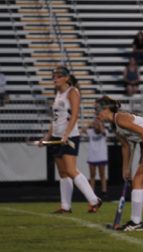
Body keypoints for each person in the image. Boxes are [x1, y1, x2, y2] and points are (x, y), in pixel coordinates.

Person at [95, 96, 143, 231]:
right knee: (140, 182)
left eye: (97, 109)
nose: (96, 113)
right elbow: (126, 147)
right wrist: (126, 169)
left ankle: (135, 222)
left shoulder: (120, 118)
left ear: (106, 109)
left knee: (138, 181)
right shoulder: (115, 125)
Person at [40, 66, 102, 214]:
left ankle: (94, 200)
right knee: (62, 173)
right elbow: (55, 119)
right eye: (54, 76)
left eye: (58, 76)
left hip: (69, 136)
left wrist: (66, 134)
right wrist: (47, 137)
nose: (55, 78)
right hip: (57, 136)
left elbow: (74, 116)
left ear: (66, 78)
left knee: (70, 170)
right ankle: (65, 206)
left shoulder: (72, 92)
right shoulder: (58, 94)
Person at [81, 118, 108, 199]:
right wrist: (90, 124)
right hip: (92, 156)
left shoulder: (105, 131)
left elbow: (103, 132)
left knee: (102, 175)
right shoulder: (90, 132)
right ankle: (91, 192)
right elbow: (82, 130)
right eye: (95, 124)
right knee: (92, 175)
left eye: (97, 124)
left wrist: (100, 125)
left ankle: (104, 191)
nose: (96, 125)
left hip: (101, 156)